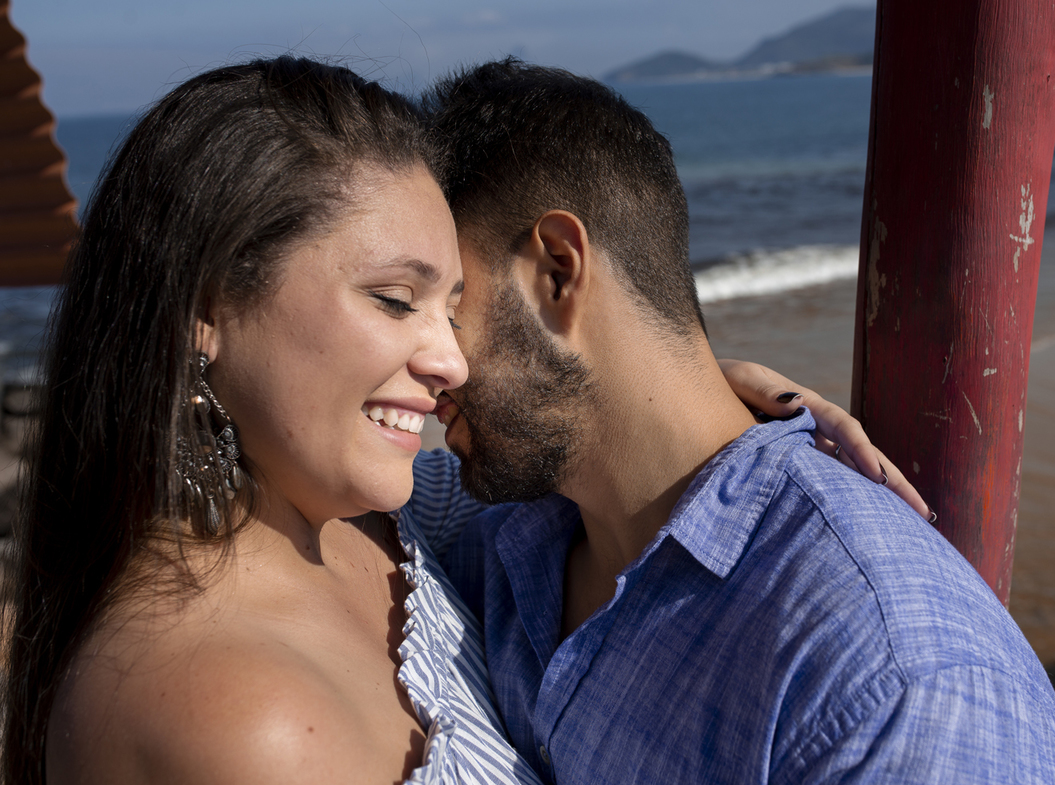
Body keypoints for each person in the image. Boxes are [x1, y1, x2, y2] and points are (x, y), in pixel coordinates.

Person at [1, 55, 904, 785]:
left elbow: (600, 457)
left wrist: (700, 385)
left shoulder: (387, 527)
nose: (450, 359)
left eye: (454, 306)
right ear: (207, 308)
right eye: (396, 299)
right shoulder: (241, 719)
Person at [427, 59, 1055, 783]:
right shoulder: (482, 544)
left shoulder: (891, 679)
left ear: (557, 270)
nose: (422, 362)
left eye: (445, 310)